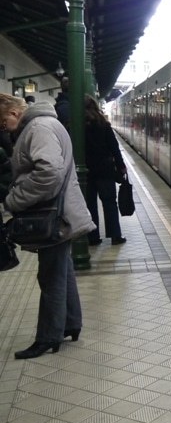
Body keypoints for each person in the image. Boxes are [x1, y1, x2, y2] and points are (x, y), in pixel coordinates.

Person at [0, 94, 96, 359]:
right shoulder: (44, 125)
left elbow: (49, 173)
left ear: (14, 113)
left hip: (54, 215)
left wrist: (13, 200)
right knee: (62, 270)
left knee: (50, 277)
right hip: (59, 212)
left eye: (2, 120)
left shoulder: (39, 128)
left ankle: (48, 337)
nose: (2, 127)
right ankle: (70, 324)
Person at [83, 95, 127, 246]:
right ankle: (115, 235)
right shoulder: (104, 125)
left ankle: (93, 237)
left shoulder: (75, 126)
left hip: (86, 172)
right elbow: (114, 148)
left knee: (90, 205)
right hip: (105, 170)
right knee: (109, 203)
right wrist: (121, 166)